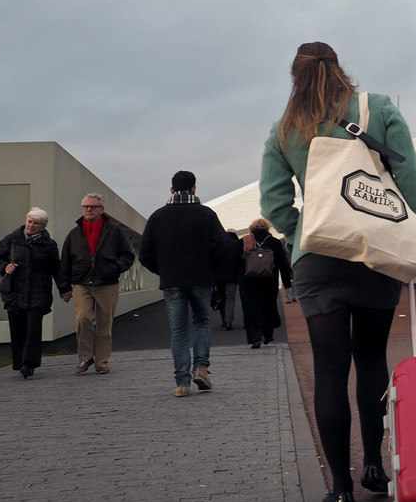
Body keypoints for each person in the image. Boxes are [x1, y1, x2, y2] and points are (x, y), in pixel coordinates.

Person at [260, 41, 416, 502]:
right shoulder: (375, 108)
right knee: (372, 358)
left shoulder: (284, 130)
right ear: (338, 68)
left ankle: (340, 489)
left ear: (295, 76)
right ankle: (375, 466)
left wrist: (307, 235)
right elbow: (410, 179)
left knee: (330, 372)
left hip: (318, 259)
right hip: (377, 253)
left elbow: (274, 204)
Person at [138, 170, 231, 397]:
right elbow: (224, 247)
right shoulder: (206, 214)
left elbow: (144, 254)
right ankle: (201, 368)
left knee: (178, 330)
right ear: (194, 189)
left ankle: (182, 383)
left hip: (172, 281)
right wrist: (210, 269)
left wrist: (164, 270)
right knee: (201, 323)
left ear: (171, 190)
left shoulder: (157, 217)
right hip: (201, 279)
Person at [60, 193, 136, 375]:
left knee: (104, 323)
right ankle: (85, 357)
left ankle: (101, 361)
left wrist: (115, 268)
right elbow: (65, 261)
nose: (88, 210)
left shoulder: (114, 231)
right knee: (82, 319)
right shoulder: (74, 234)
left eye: (92, 207)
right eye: (85, 207)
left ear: (101, 210)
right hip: (82, 283)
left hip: (107, 283)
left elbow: (128, 255)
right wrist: (64, 287)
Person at [0, 207, 70, 379]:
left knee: (33, 328)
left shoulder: (49, 245)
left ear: (43, 226)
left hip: (38, 293)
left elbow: (57, 269)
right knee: (17, 329)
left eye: (36, 223)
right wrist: (5, 267)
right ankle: (19, 361)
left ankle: (30, 363)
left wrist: (64, 289)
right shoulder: (11, 240)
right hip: (14, 293)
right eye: (29, 221)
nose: (31, 225)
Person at [237, 218, 293, 349]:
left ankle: (255, 337)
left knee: (251, 307)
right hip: (269, 280)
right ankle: (268, 334)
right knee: (268, 305)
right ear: (267, 228)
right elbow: (283, 263)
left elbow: (234, 261)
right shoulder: (274, 242)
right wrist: (287, 283)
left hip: (248, 281)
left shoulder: (244, 242)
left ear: (252, 229)